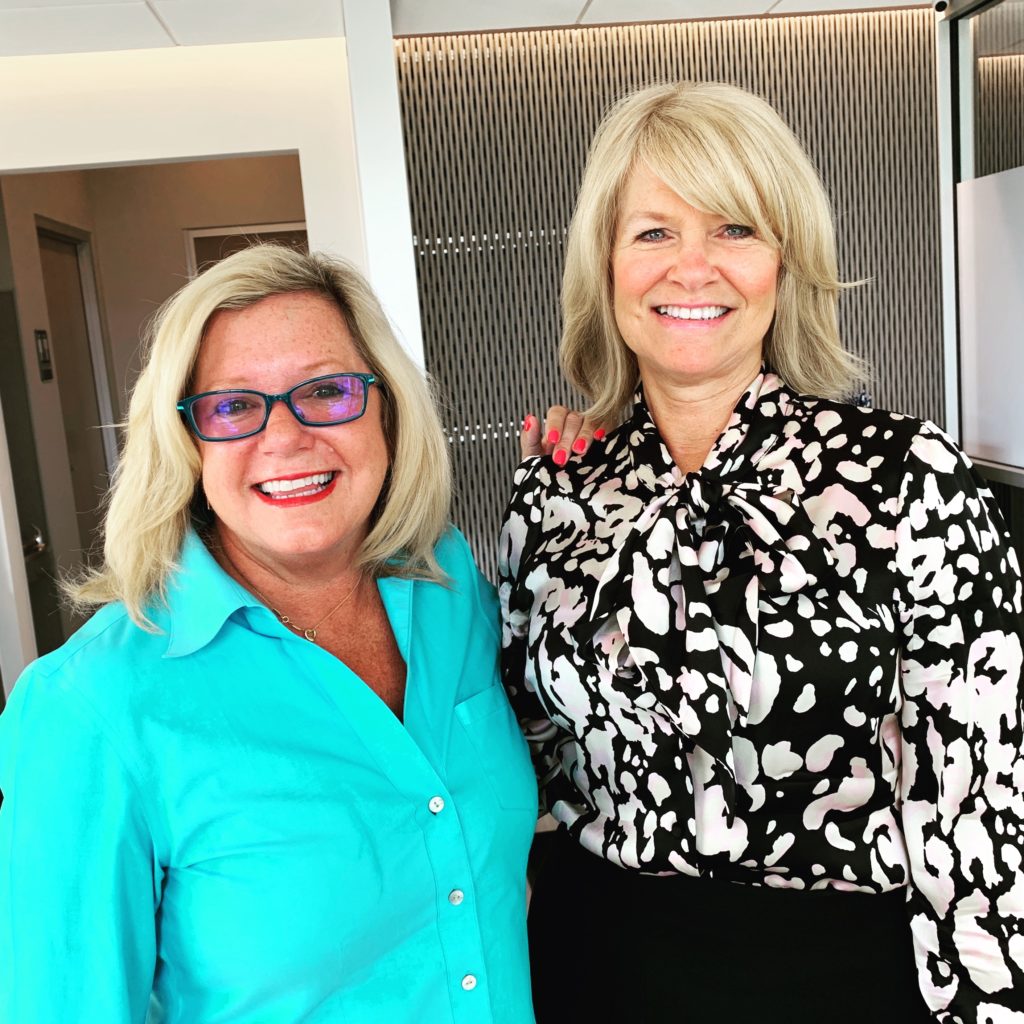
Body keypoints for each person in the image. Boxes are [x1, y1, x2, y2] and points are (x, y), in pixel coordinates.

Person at [501, 81, 1024, 1023]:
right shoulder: (553, 490)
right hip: (592, 965)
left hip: (836, 978)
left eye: (735, 229)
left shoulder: (905, 476)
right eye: (653, 232)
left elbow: (981, 797)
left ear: (787, 262)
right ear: (606, 266)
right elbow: (523, 750)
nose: (691, 268)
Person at [0, 245, 540, 1023]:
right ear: (186, 442)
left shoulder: (447, 583)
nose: (285, 438)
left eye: (326, 391)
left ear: (385, 409)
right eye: (232, 406)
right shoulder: (91, 708)